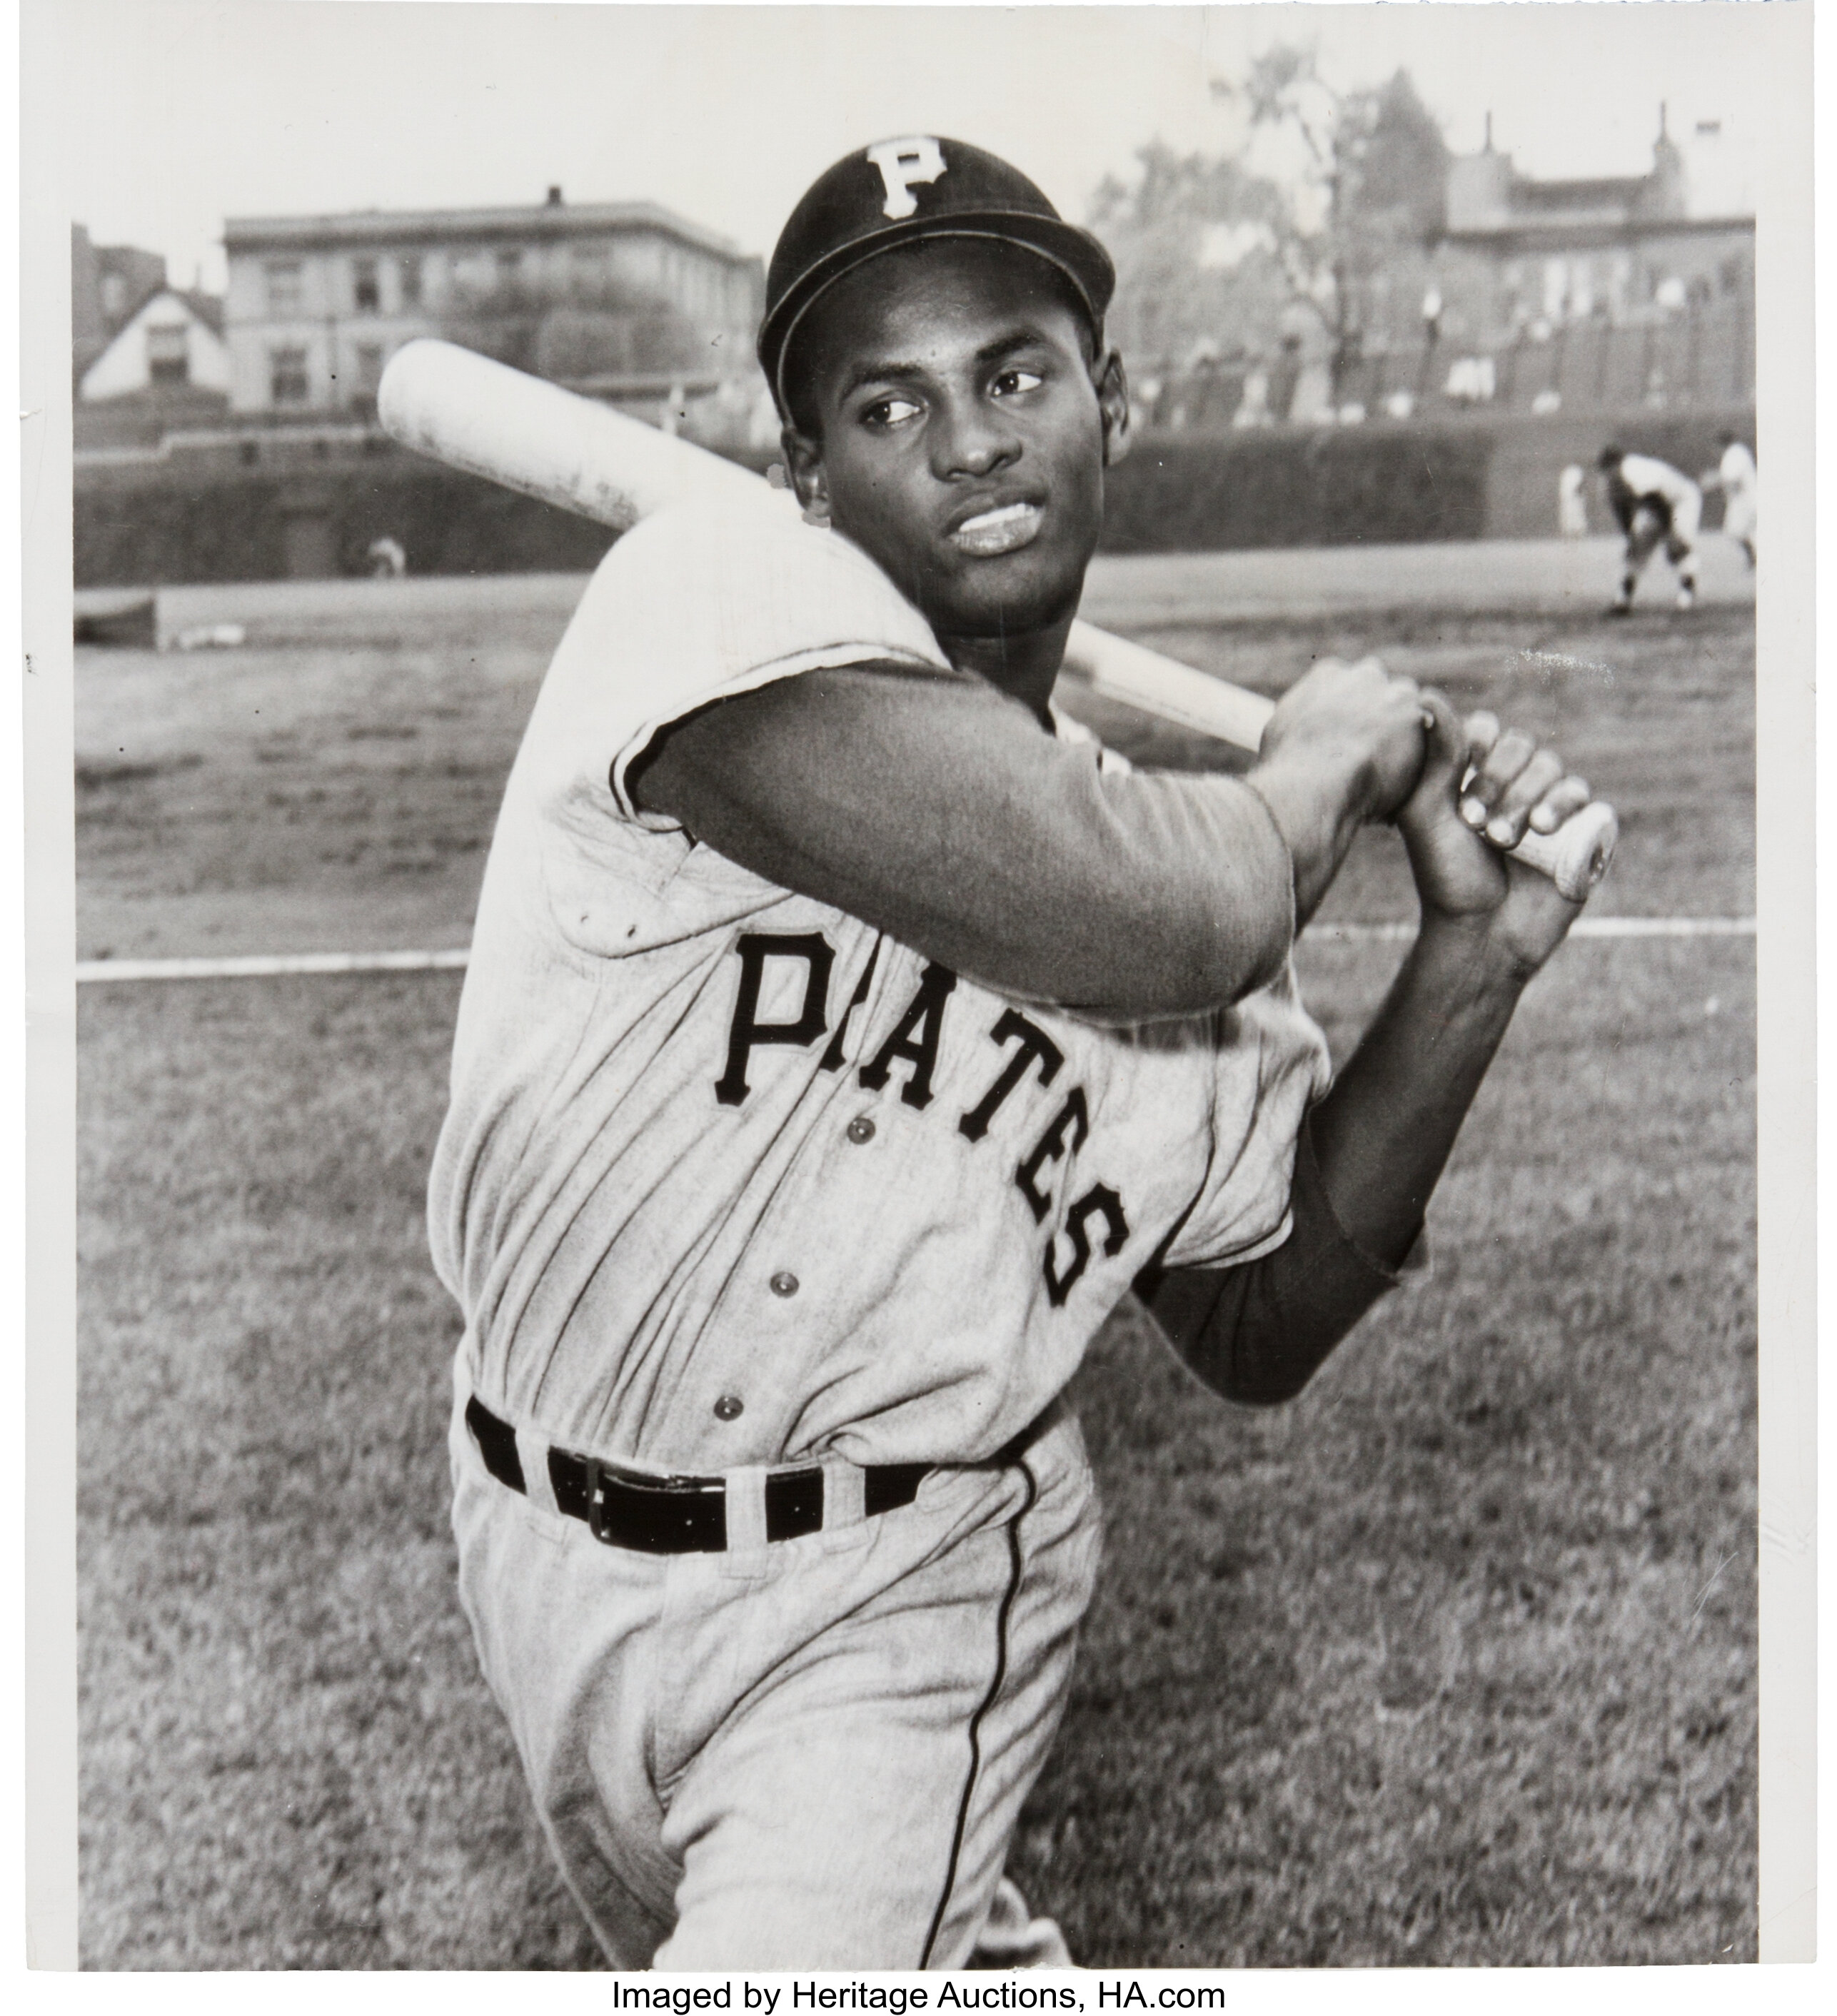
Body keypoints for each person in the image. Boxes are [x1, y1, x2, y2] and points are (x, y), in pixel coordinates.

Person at [428, 136, 1598, 1971]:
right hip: (533, 1542)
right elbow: (1167, 913)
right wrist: (1324, 758)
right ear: (802, 474)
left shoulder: (1172, 871)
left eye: (1014, 373)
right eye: (889, 404)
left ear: (1106, 403)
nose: (969, 439)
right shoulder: (704, 604)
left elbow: (1258, 1312)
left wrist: (1471, 957)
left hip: (896, 1600)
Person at [1598, 444, 1702, 613]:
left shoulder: (1634, 471)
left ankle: (1687, 595)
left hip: (1681, 500)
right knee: (1634, 552)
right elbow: (1623, 512)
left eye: (1609, 469)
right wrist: (1631, 538)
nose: (1607, 474)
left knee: (1677, 547)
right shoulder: (1610, 483)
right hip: (1654, 506)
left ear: (1618, 464)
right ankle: (1622, 601)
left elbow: (1658, 502)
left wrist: (1671, 534)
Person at [1700, 430, 1757, 569]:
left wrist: (1712, 481)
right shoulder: (1737, 452)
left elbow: (1732, 480)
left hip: (1745, 500)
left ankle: (1753, 558)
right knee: (1741, 532)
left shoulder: (1733, 454)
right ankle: (1753, 558)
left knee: (1735, 531)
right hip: (1744, 500)